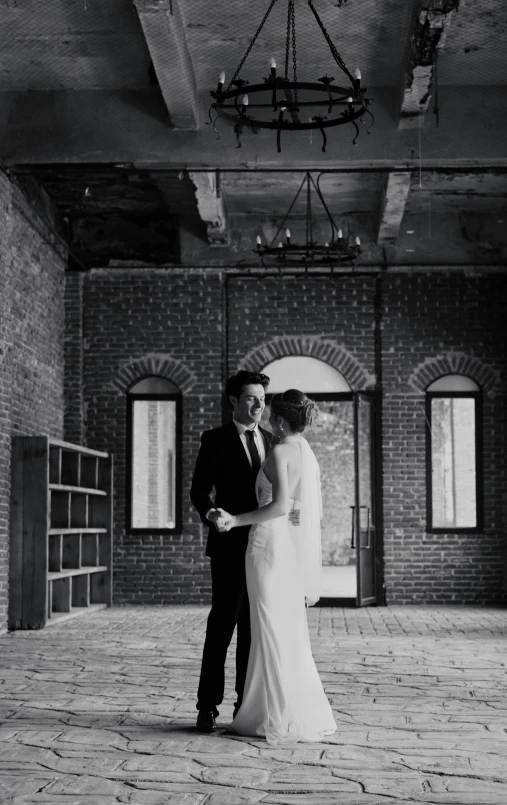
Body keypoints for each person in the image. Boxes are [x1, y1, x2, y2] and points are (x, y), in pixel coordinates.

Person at [217, 389, 337, 744]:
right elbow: (297, 508)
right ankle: (269, 709)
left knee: (267, 627)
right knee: (280, 628)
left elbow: (281, 505)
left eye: (270, 413)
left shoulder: (282, 450)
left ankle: (276, 716)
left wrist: (234, 519)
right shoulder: (305, 452)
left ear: (281, 420)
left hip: (267, 546)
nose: (266, 417)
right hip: (283, 547)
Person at [190, 370, 272, 733]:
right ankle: (207, 706)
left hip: (265, 550)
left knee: (253, 631)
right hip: (228, 548)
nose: (259, 405)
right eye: (252, 398)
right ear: (234, 402)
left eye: (263, 398)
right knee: (221, 628)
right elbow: (198, 492)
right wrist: (210, 514)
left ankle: (245, 704)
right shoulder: (214, 440)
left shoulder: (273, 441)